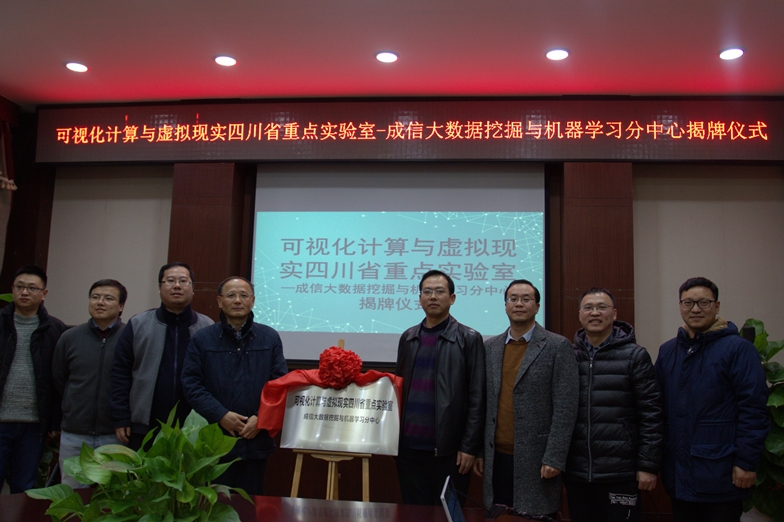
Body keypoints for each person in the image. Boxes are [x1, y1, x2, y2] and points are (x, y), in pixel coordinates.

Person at [655, 277, 769, 522]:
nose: (695, 309)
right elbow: (657, 409)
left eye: (703, 303)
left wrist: (746, 462)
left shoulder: (738, 349)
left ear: (717, 306)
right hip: (678, 474)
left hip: (722, 473)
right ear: (680, 306)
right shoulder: (668, 351)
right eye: (688, 303)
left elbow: (754, 410)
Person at [474, 279, 578, 518]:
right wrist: (480, 452)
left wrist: (555, 457)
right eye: (513, 299)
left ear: (537, 306)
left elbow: (566, 407)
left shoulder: (557, 346)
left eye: (526, 299)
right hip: (496, 458)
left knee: (534, 516)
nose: (519, 304)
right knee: (498, 515)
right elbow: (483, 404)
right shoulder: (490, 347)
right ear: (505, 305)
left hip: (538, 459)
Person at [181, 276, 287, 495]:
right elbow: (191, 384)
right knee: (215, 504)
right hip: (215, 439)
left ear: (252, 301)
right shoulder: (203, 339)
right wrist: (220, 414)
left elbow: (279, 384)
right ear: (220, 301)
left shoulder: (269, 337)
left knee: (251, 503)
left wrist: (261, 418)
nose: (237, 300)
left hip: (255, 438)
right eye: (231, 295)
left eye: (243, 295)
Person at [564, 287, 663, 522]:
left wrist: (648, 466)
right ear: (580, 314)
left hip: (621, 472)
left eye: (602, 307)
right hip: (577, 473)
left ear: (615, 314)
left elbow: (652, 414)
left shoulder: (635, 356)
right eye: (588, 308)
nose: (595, 313)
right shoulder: (567, 355)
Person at [395, 269, 486, 506]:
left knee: (447, 514)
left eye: (439, 291)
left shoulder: (468, 338)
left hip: (449, 452)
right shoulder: (408, 337)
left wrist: (469, 447)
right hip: (408, 449)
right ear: (420, 298)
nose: (433, 296)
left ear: (452, 298)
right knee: (414, 513)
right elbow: (399, 389)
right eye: (427, 292)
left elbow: (477, 398)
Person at [110, 262, 213, 449]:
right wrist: (121, 417)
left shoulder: (207, 327)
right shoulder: (138, 324)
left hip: (193, 426)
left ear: (193, 288)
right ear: (159, 288)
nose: (177, 286)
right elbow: (120, 373)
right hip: (144, 425)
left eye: (183, 281)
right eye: (170, 281)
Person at [52, 279, 128, 488]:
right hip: (75, 435)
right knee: (73, 496)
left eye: (108, 298)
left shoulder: (130, 337)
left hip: (115, 435)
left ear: (121, 306)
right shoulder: (69, 337)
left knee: (113, 496)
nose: (100, 302)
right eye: (95, 297)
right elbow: (59, 379)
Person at [0, 265, 67, 493]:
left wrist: (55, 421)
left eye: (32, 288)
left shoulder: (55, 329)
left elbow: (60, 379)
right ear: (12, 289)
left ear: (44, 293)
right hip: (1, 420)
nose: (24, 292)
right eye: (19, 287)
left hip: (34, 425)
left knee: (24, 486)